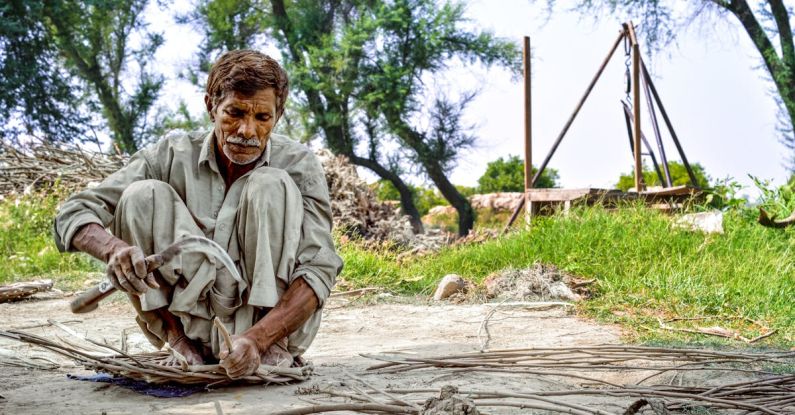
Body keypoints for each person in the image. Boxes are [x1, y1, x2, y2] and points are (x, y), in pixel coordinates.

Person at [53, 50, 343, 379]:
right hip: (189, 326)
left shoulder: (299, 164)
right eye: (234, 113)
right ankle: (181, 344)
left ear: (278, 115)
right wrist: (114, 250)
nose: (247, 130)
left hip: (271, 333)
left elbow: (319, 267)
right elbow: (72, 214)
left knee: (270, 184)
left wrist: (258, 339)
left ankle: (267, 349)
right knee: (140, 196)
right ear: (210, 106)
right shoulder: (169, 154)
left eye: (262, 118)